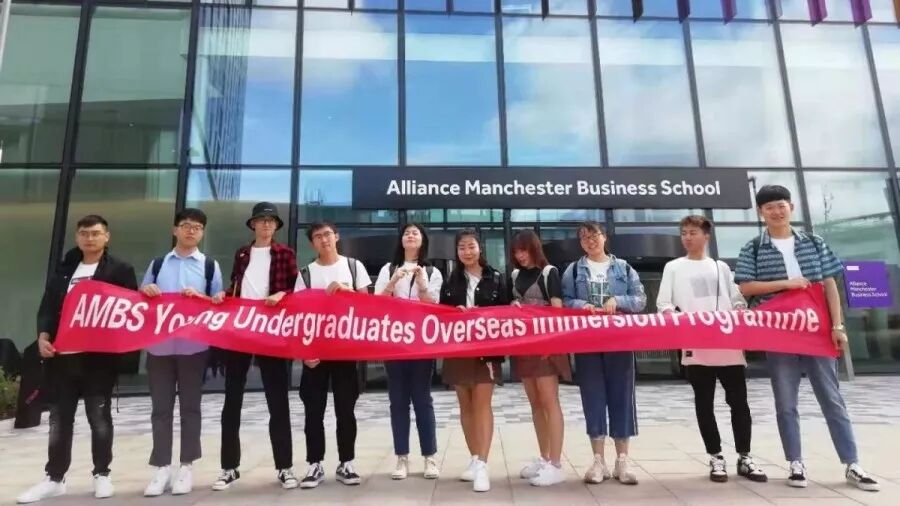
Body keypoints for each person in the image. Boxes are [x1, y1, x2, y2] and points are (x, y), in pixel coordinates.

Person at [735, 185, 879, 492]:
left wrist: (837, 326)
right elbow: (745, 287)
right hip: (779, 332)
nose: (776, 211)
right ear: (761, 213)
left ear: (791, 207)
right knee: (785, 402)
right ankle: (795, 463)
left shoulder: (814, 242)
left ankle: (852, 463)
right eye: (769, 207)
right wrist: (787, 284)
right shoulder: (754, 247)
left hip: (816, 331)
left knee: (832, 399)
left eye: (781, 205)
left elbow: (829, 285)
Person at [18, 215, 138, 504]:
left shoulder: (120, 270)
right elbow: (48, 306)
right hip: (62, 358)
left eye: (96, 233)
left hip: (98, 360)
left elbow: (130, 308)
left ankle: (102, 474)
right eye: (84, 233)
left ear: (107, 237)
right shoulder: (64, 269)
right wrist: (43, 337)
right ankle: (54, 478)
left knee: (99, 417)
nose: (90, 238)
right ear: (76, 237)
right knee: (59, 419)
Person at [657, 215, 767, 484]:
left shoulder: (721, 267)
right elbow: (664, 303)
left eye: (693, 232)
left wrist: (740, 312)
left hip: (728, 346)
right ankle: (716, 456)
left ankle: (745, 456)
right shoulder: (673, 267)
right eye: (684, 233)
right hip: (696, 346)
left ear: (706, 236)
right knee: (704, 403)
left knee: (738, 403)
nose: (687, 237)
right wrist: (678, 319)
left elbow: (737, 299)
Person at [139, 208, 225, 497]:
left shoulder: (210, 266)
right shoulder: (158, 264)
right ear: (175, 230)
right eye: (186, 225)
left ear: (202, 233)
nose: (191, 231)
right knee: (160, 410)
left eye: (197, 227)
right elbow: (140, 300)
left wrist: (204, 298)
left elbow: (217, 305)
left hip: (194, 348)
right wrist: (147, 290)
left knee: (191, 408)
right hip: (159, 347)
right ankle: (161, 467)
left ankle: (187, 466)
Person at [214, 202, 299, 491]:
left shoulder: (285, 253)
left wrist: (281, 294)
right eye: (261, 220)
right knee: (232, 400)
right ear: (253, 224)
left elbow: (295, 289)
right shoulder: (242, 254)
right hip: (241, 329)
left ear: (276, 226)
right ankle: (229, 467)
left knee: (278, 400)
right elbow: (236, 286)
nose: (266, 224)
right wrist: (222, 294)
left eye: (271, 221)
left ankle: (285, 467)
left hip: (271, 330)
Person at [562, 221, 645, 486]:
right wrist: (581, 305)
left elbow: (640, 299)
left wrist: (618, 301)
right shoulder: (573, 270)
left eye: (594, 235)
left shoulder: (624, 268)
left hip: (619, 341)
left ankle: (622, 460)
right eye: (584, 238)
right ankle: (598, 461)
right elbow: (565, 301)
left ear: (604, 237)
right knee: (593, 398)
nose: (590, 241)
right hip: (587, 343)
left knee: (622, 397)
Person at [293, 221, 371, 489]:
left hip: (345, 350)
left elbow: (368, 307)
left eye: (327, 234)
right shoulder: (305, 274)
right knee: (313, 411)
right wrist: (304, 352)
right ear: (312, 243)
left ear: (336, 237)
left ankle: (346, 462)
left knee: (345, 410)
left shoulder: (354, 267)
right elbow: (298, 316)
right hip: (315, 352)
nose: (324, 239)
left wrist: (348, 292)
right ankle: (314, 464)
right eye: (318, 236)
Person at [439, 229, 508, 493]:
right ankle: (474, 457)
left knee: (482, 404)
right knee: (465, 405)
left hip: (486, 350)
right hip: (458, 349)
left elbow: (505, 313)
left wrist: (485, 314)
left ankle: (483, 465)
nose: (467, 252)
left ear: (480, 248)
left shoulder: (496, 278)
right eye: (462, 248)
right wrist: (454, 313)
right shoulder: (451, 280)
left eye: (471, 246)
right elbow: (440, 313)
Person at [374, 224, 443, 481]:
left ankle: (429, 456)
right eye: (406, 233)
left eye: (415, 233)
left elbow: (434, 305)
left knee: (423, 399)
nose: (410, 236)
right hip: (394, 342)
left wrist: (422, 284)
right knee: (398, 401)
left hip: (421, 342)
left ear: (423, 240)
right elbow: (377, 302)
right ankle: (402, 456)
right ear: (401, 240)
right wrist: (394, 281)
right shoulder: (388, 268)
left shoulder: (433, 271)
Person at [509, 230, 570, 487]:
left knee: (549, 401)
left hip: (546, 346)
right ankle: (544, 458)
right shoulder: (514, 275)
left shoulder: (549, 273)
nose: (520, 255)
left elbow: (558, 311)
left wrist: (552, 344)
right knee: (535, 403)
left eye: (524, 250)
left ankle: (556, 464)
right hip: (524, 346)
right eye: (516, 251)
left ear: (534, 248)